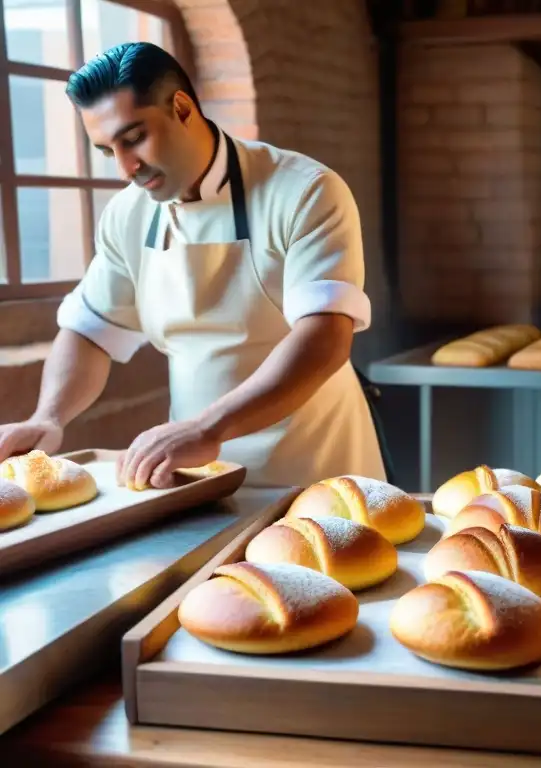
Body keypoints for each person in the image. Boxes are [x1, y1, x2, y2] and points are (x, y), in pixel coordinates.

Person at [0, 42, 386, 490]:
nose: (126, 167)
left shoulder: (304, 191)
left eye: (134, 139)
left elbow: (324, 340)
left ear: (182, 108)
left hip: (316, 474)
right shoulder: (128, 214)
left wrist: (208, 429)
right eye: (108, 151)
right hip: (197, 476)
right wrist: (48, 417)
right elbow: (89, 331)